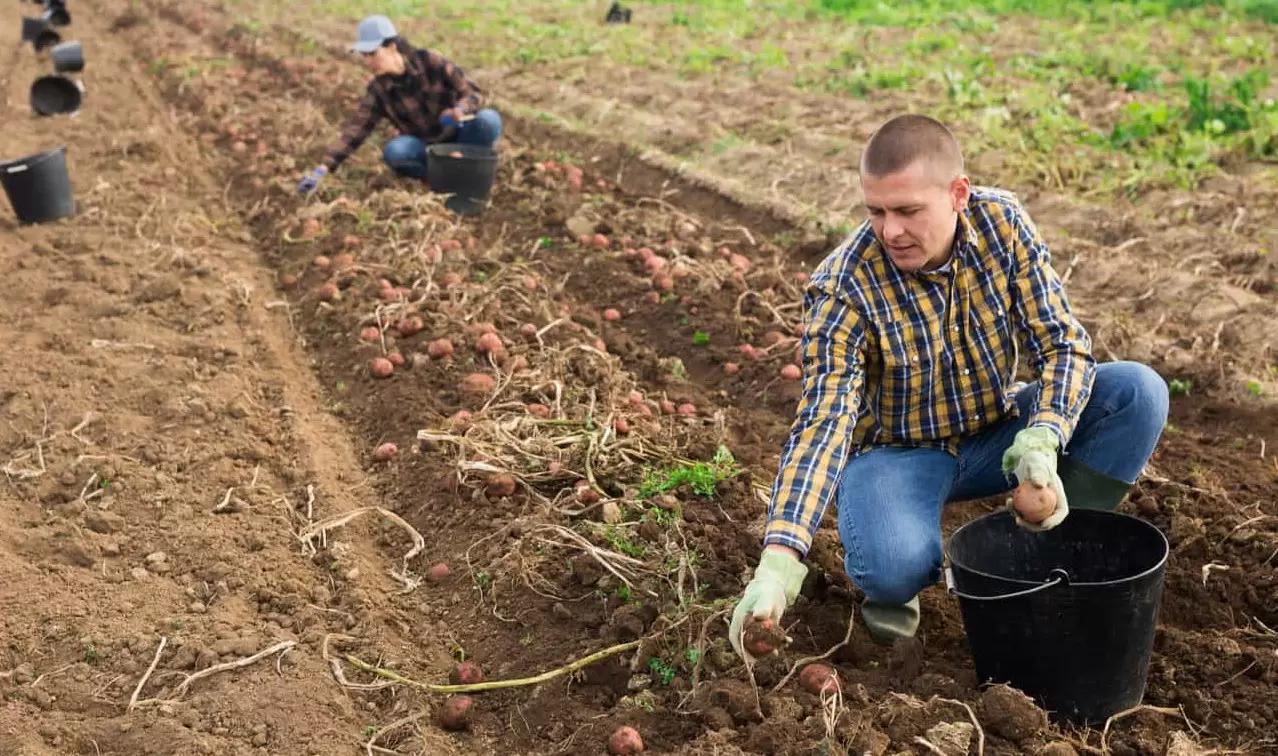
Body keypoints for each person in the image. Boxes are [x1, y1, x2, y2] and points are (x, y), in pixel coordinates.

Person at [729, 114, 1169, 654]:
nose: (890, 230)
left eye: (908, 211)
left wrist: (1043, 439)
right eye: (876, 211)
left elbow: (1061, 346)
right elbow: (823, 425)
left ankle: (1048, 548)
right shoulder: (844, 288)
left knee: (1134, 393)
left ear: (958, 194)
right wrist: (780, 561)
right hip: (896, 454)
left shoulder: (1002, 225)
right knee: (894, 566)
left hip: (996, 430)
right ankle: (895, 579)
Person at [296, 15, 502, 195]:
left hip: (458, 136)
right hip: (427, 149)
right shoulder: (379, 90)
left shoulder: (430, 61)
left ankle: (471, 171)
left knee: (489, 120)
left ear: (392, 47)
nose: (368, 61)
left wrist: (460, 110)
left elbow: (473, 93)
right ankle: (441, 178)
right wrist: (323, 168)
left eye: (372, 53)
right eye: (364, 56)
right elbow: (355, 130)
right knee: (396, 151)